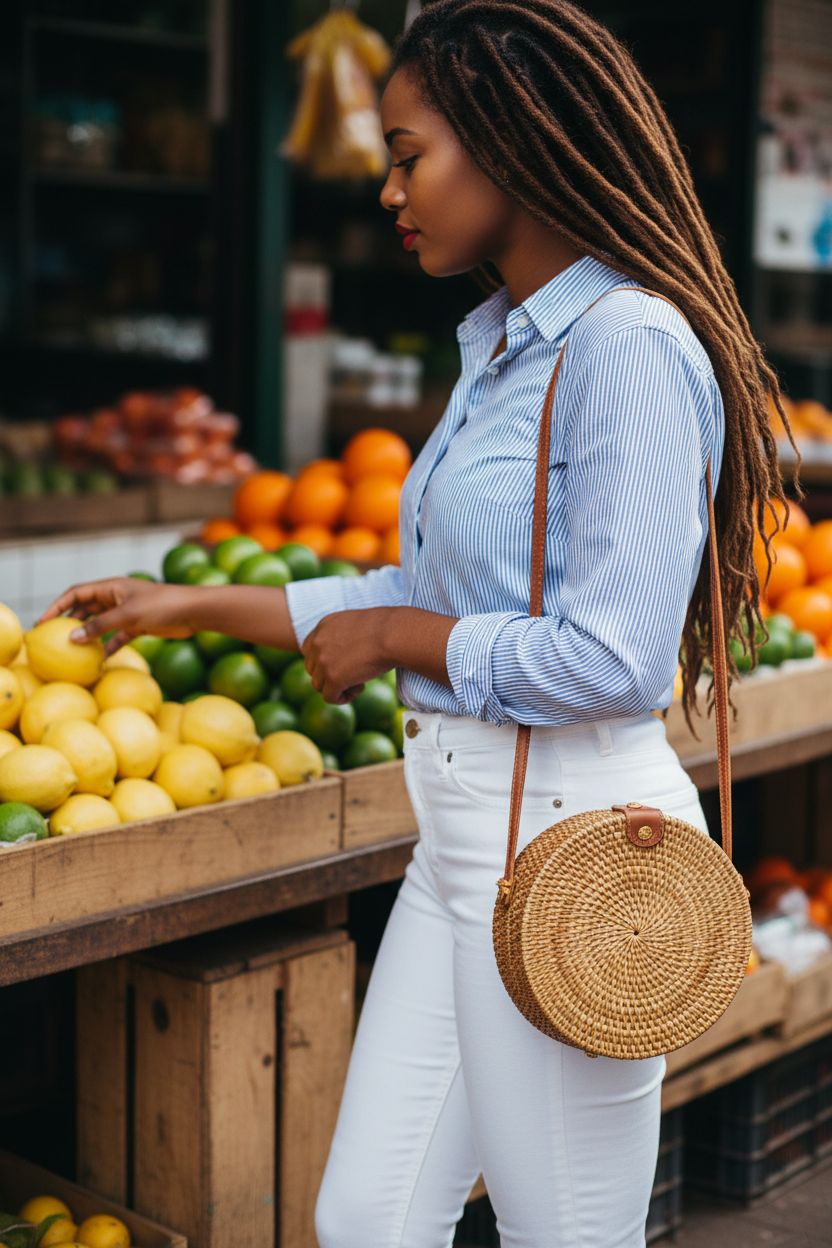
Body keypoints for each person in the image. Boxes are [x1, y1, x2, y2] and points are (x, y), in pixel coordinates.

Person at [43, 2, 800, 1244]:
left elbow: (610, 660)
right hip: (459, 847)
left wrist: (401, 646)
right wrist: (180, 604)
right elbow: (435, 595)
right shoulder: (502, 344)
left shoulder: (628, 348)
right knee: (371, 1221)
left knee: (567, 1234)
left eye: (409, 155)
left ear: (512, 141)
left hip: (574, 852)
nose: (388, 189)